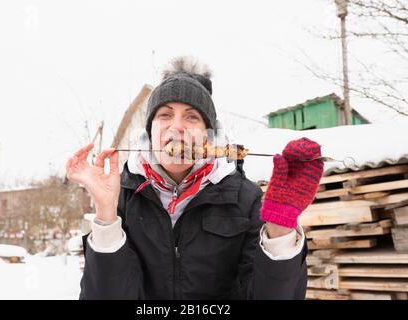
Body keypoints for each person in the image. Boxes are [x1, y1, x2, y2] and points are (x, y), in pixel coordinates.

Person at [66, 56, 324, 299]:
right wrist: (107, 215)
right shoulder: (120, 198)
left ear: (209, 136)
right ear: (150, 131)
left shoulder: (246, 199)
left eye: (191, 117)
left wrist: (280, 228)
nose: (176, 126)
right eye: (165, 115)